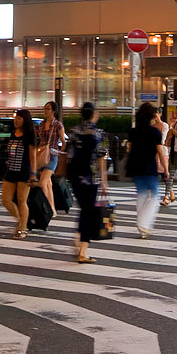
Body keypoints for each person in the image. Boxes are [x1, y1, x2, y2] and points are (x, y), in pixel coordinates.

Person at [64, 102, 108, 263]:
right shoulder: (99, 133)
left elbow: (68, 154)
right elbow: (101, 158)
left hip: (75, 176)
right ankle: (83, 250)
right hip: (91, 177)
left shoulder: (75, 131)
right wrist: (104, 182)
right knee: (88, 212)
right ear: (94, 114)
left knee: (84, 209)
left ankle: (78, 239)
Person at [126, 102, 163, 239]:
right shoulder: (155, 132)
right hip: (149, 166)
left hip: (135, 167)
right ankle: (143, 224)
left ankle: (142, 226)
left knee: (141, 195)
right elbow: (159, 151)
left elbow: (129, 149)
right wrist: (165, 169)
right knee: (154, 196)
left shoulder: (133, 131)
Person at [1, 108, 37, 238]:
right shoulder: (12, 134)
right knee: (5, 200)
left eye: (19, 118)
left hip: (24, 171)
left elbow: (33, 156)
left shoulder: (29, 136)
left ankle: (22, 229)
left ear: (25, 120)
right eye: (16, 118)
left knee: (22, 200)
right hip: (10, 170)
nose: (16, 121)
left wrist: (33, 173)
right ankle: (20, 221)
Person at [35, 101, 66, 217]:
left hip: (52, 156)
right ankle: (52, 209)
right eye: (44, 108)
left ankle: (47, 207)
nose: (45, 111)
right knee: (48, 184)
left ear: (53, 111)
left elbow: (63, 141)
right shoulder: (42, 124)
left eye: (47, 109)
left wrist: (59, 152)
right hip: (42, 155)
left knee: (42, 183)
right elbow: (39, 139)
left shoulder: (58, 125)